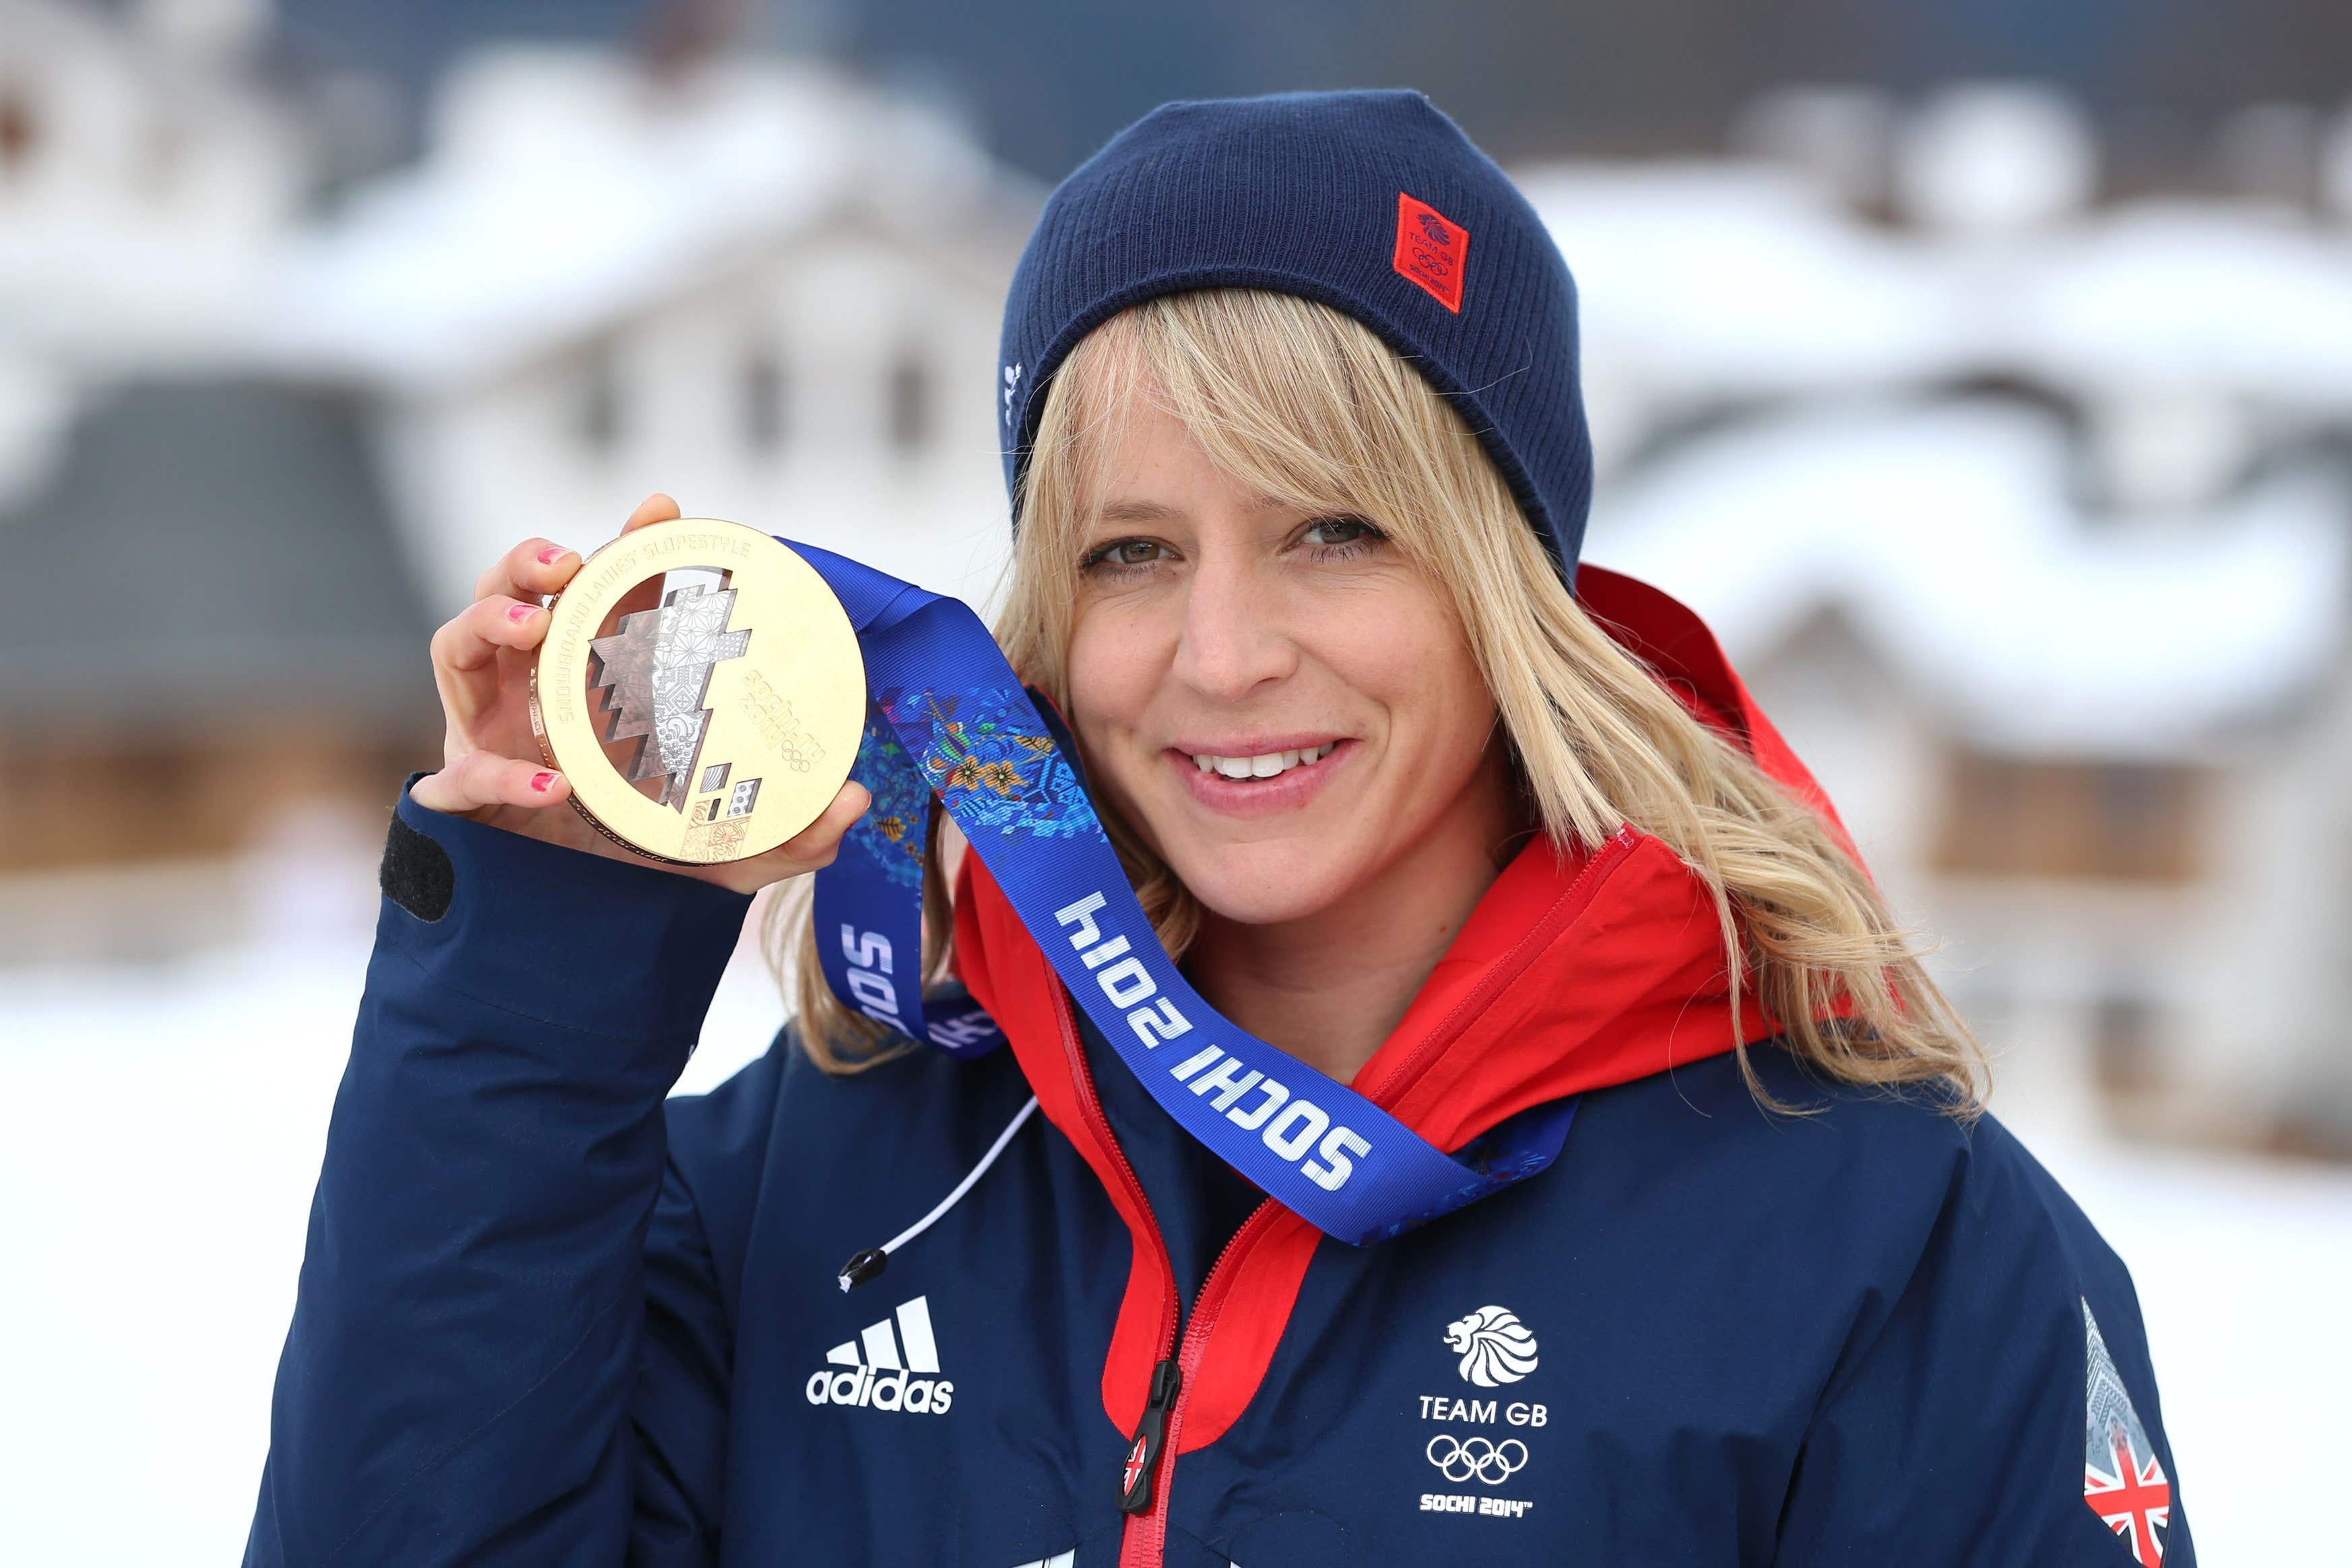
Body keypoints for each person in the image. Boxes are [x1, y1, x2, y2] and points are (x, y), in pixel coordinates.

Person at [247, 91, 2191, 1567]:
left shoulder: (1882, 1242)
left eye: (1334, 530)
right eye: (1130, 554)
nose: (1223, 652)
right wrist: (544, 955)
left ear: (1504, 587)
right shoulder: (821, 1191)